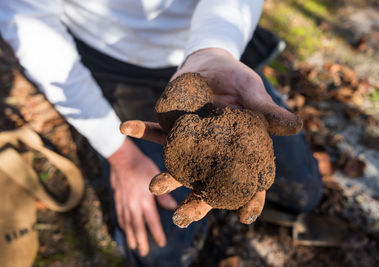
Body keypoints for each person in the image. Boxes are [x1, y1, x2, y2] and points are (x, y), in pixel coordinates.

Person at [0, 0, 322, 266]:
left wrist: (215, 49)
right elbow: (29, 24)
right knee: (159, 254)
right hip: (110, 61)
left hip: (213, 52)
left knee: (304, 193)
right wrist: (119, 154)